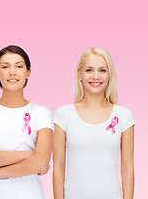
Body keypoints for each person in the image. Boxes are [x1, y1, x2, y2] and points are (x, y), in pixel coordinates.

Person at [0, 45, 53, 199]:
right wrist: (27, 155)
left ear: (28, 73)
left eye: (19, 66)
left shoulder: (42, 113)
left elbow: (40, 163)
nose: (12, 72)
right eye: (5, 66)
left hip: (31, 194)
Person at [53, 47, 134, 199]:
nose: (96, 76)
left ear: (110, 75)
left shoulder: (124, 115)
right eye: (89, 70)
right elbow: (58, 167)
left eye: (102, 70)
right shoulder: (63, 115)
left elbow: (127, 167)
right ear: (80, 74)